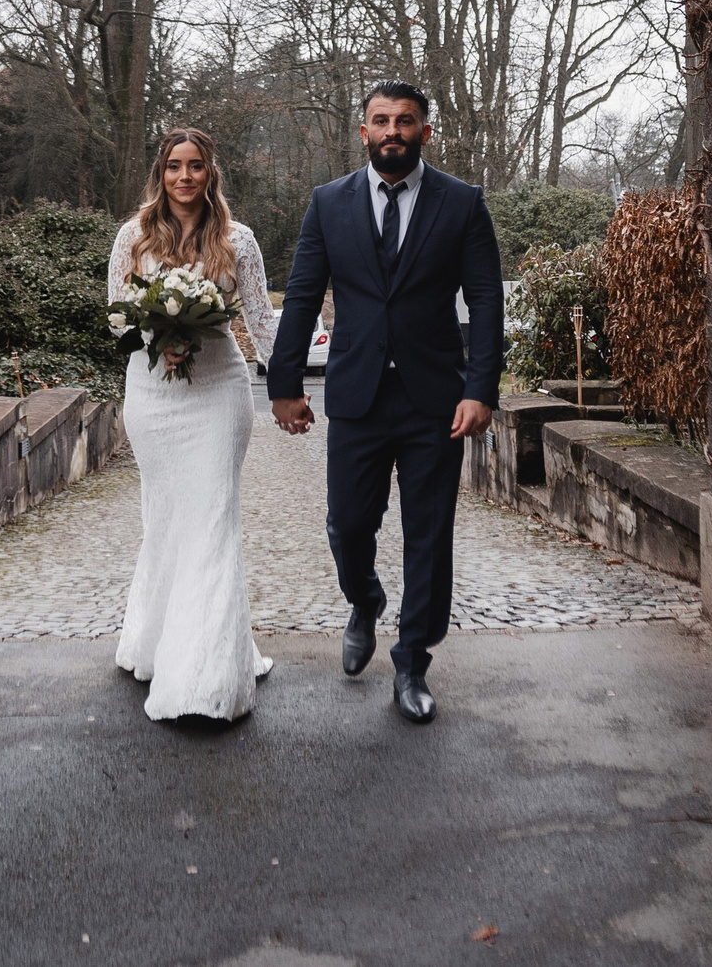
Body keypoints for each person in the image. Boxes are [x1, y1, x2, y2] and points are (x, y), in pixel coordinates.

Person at [265, 81, 505, 723]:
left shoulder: (462, 204)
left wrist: (481, 388)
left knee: (428, 535)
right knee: (347, 526)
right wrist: (284, 384)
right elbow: (303, 292)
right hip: (356, 395)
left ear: (426, 131)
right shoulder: (328, 204)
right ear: (363, 132)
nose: (392, 131)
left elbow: (485, 301)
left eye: (405, 121)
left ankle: (411, 663)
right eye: (381, 121)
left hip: (436, 401)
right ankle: (364, 598)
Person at [106, 128, 279, 722]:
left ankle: (205, 677)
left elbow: (260, 319)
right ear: (161, 172)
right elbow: (116, 322)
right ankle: (158, 640)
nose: (185, 177)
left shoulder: (239, 240)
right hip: (153, 395)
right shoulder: (133, 236)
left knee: (212, 519)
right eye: (175, 166)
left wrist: (289, 386)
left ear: (211, 173)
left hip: (219, 395)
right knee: (167, 519)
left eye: (196, 166)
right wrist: (159, 337)